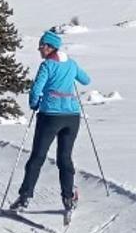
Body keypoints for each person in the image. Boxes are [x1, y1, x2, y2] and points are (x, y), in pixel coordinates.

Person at [10, 29, 91, 214]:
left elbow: (36, 89)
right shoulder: (71, 64)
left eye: (41, 46)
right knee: (65, 158)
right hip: (72, 117)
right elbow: (86, 80)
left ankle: (24, 197)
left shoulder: (47, 65)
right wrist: (70, 76)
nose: (39, 49)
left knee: (37, 157)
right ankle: (68, 198)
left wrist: (34, 103)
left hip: (50, 117)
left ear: (49, 47)